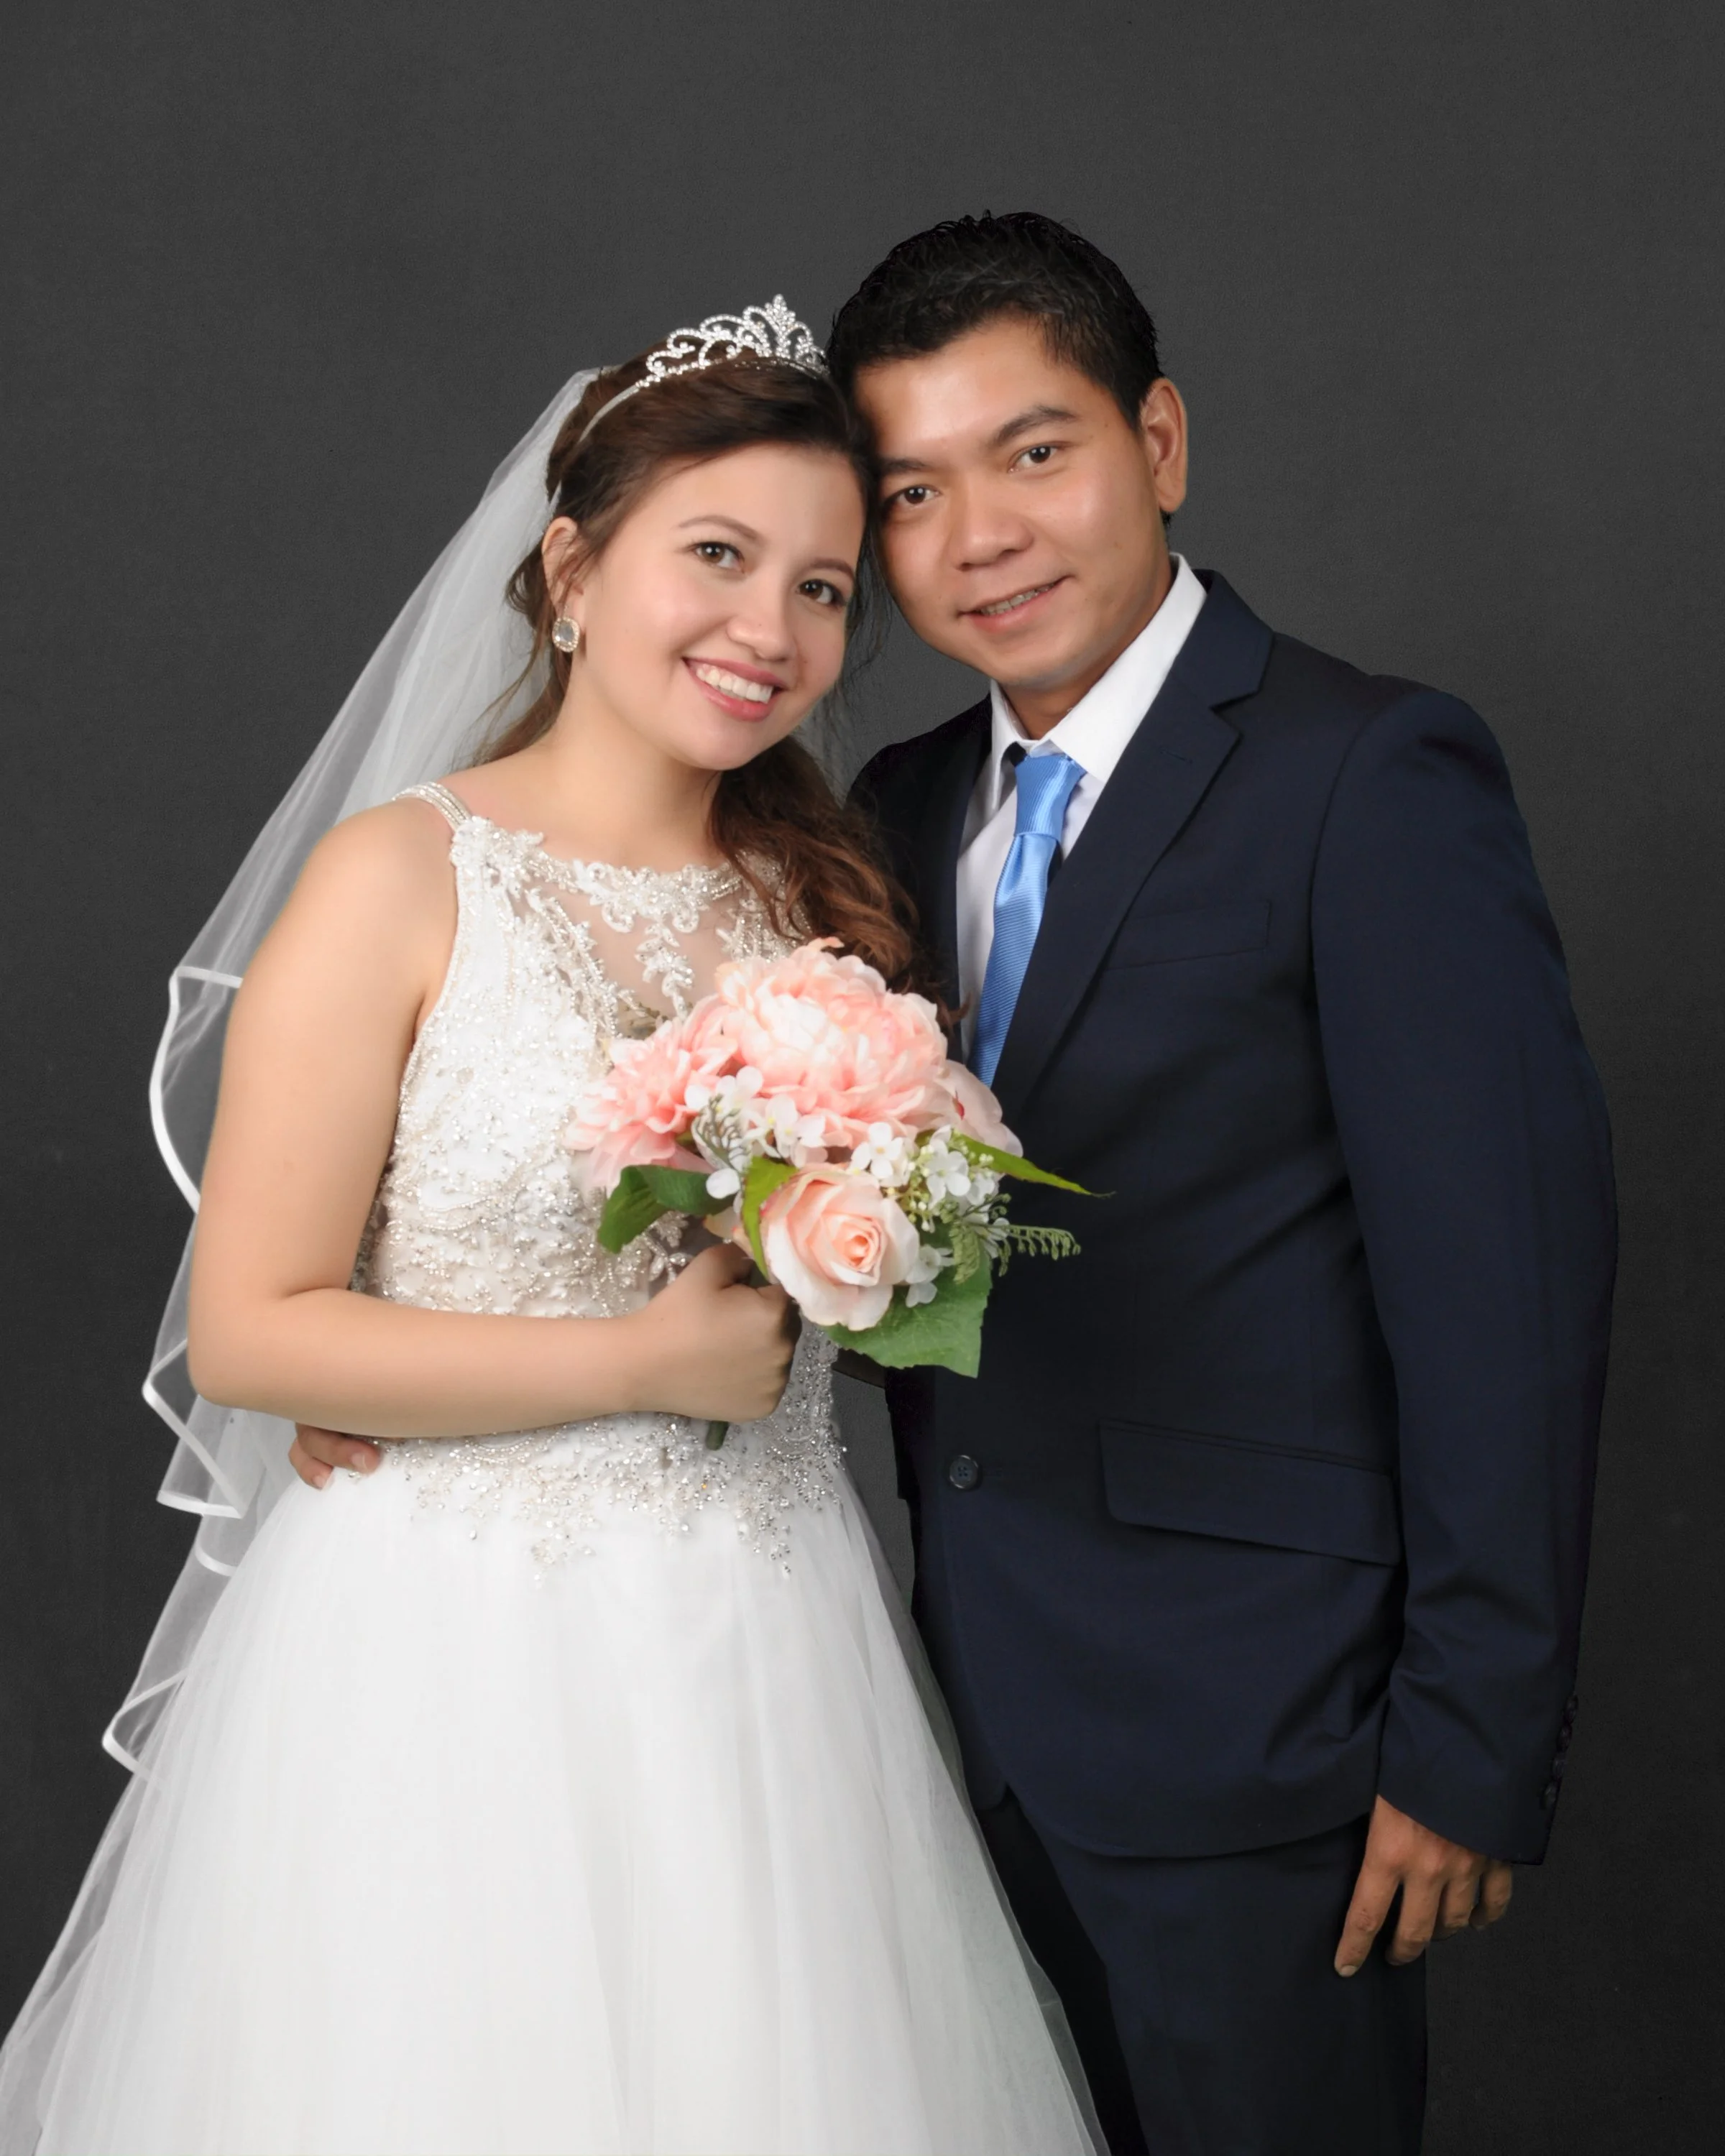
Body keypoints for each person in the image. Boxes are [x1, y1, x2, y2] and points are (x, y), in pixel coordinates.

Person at [0, 305, 1101, 2156]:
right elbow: (254, 1331)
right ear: (574, 568)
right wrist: (636, 1363)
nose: (771, 632)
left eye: (826, 589)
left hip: (765, 1643)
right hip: (447, 1654)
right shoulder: (401, 880)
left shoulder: (827, 906)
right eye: (720, 558)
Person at [819, 214, 1610, 2154]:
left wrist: (1472, 1742)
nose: (980, 535)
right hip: (961, 1720)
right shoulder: (899, 808)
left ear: (1158, 442)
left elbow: (1504, 1286)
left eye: (1035, 451)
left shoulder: (1369, 772)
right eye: (912, 490)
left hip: (1276, 1738)